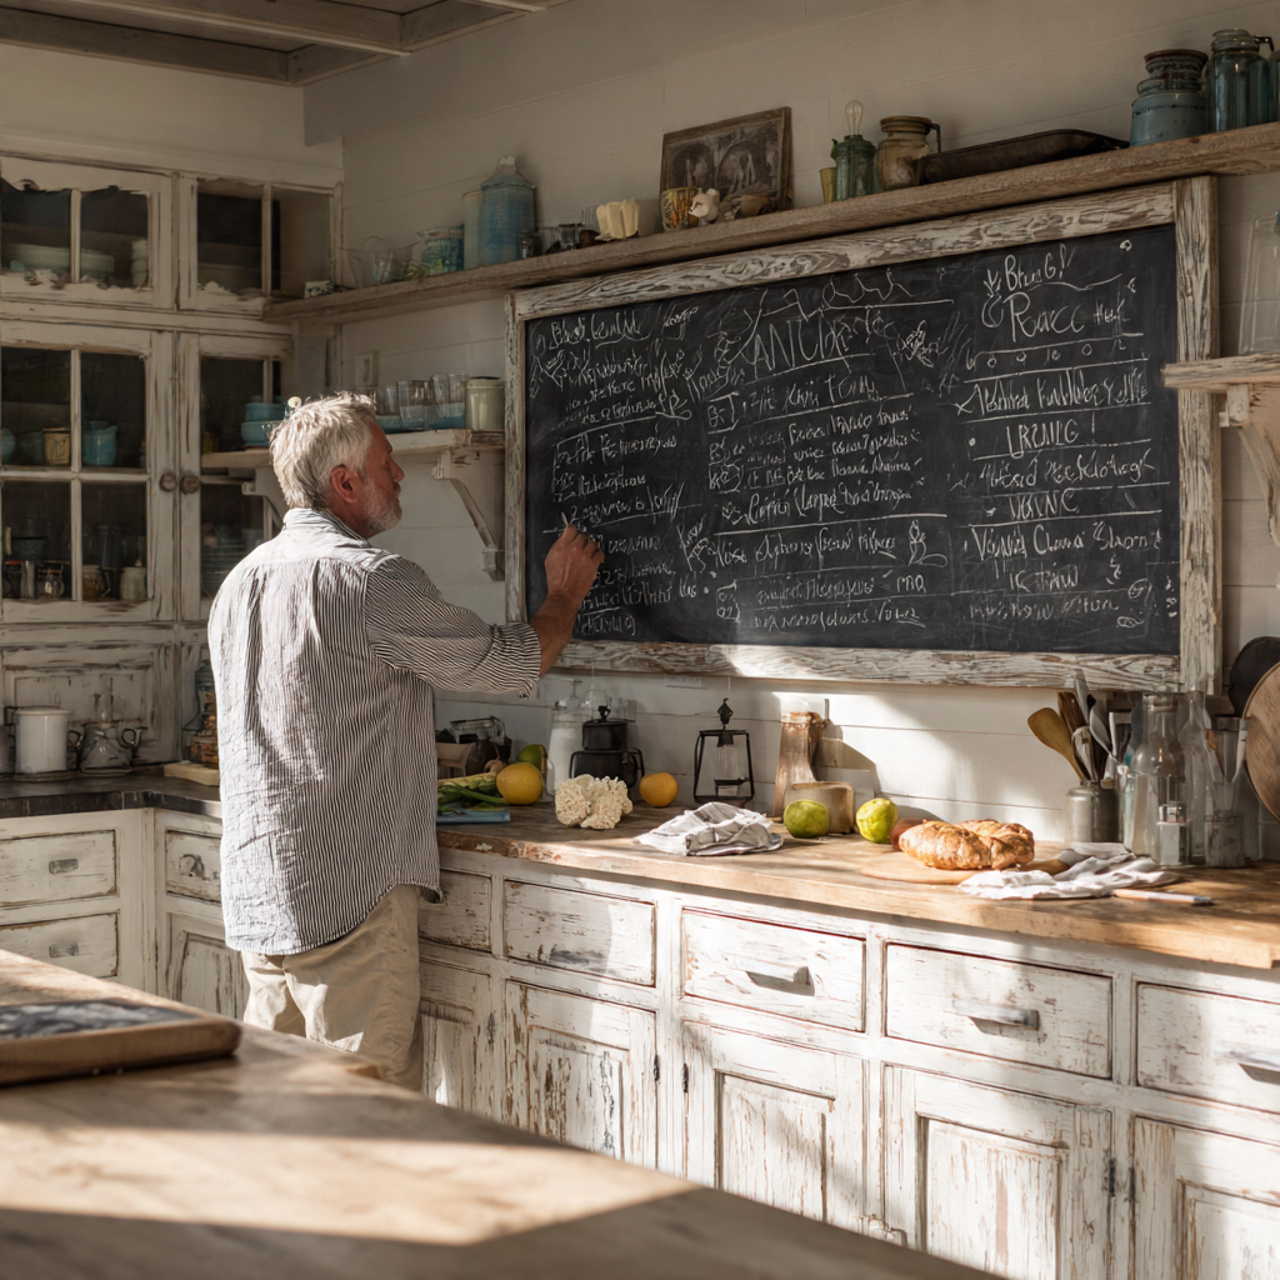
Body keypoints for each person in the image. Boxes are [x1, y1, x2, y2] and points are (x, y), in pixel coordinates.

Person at [208, 392, 602, 1088]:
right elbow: (510, 663)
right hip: (349, 902)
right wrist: (564, 596)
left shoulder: (240, 582)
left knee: (276, 1117)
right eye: (387, 465)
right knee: (368, 1120)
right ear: (345, 483)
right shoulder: (370, 581)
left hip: (261, 893)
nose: (400, 477)